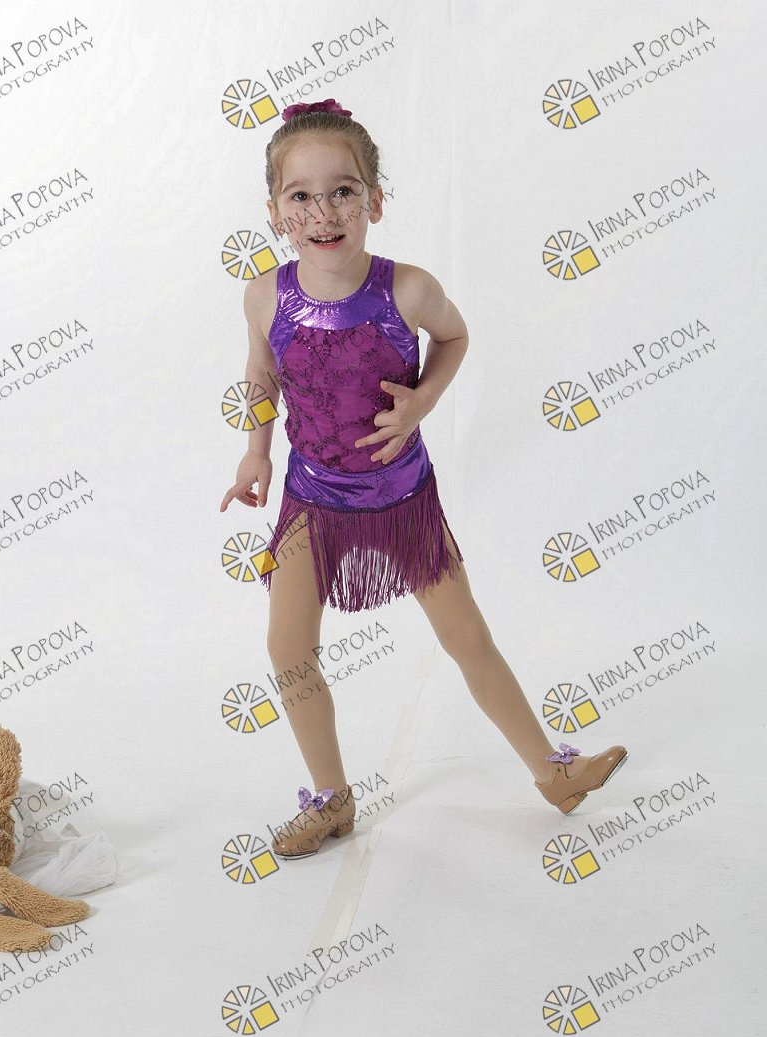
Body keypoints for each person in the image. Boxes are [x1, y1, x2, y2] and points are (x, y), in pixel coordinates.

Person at [219, 97, 628, 860]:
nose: (322, 212)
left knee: (465, 636)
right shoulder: (264, 295)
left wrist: (425, 400)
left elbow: (455, 336)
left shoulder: (405, 289)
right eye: (300, 196)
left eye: (343, 191)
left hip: (402, 497)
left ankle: (554, 773)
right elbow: (261, 371)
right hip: (311, 499)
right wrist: (256, 452)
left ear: (375, 200)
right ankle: (331, 798)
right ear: (274, 212)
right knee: (288, 648)